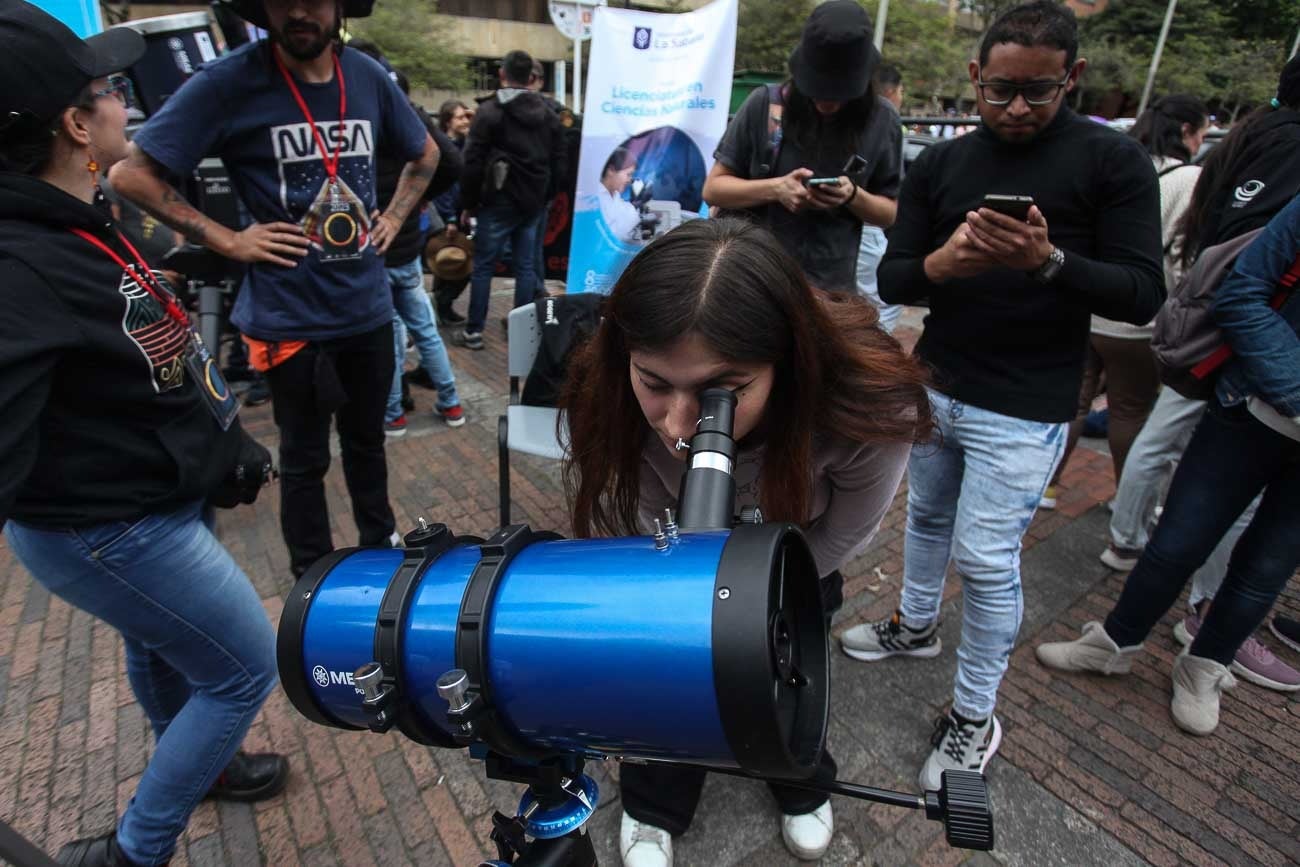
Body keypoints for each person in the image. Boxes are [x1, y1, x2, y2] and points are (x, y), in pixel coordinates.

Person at [840, 1, 1165, 790]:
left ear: (1073, 79)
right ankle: (915, 624)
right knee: (924, 516)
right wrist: (942, 269)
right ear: (975, 77)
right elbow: (893, 274)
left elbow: (1141, 293)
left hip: (1027, 404)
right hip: (939, 380)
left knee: (985, 559)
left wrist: (1049, 261)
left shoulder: (1111, 163)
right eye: (1000, 92)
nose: (1016, 109)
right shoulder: (944, 165)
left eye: (1039, 91)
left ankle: (975, 715)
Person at [0, 5, 287, 865]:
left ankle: (201, 765)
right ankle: (136, 848)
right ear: (75, 124)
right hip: (109, 525)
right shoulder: (20, 262)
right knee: (242, 668)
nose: (128, 104)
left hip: (153, 491)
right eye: (111, 91)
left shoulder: (73, 216)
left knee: (167, 647)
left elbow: (115, 344)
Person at [562, 218, 933, 865]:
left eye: (720, 394)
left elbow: (850, 526)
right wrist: (683, 601)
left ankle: (797, 779)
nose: (678, 426)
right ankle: (654, 803)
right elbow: (643, 510)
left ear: (786, 363)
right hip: (675, 573)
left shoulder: (869, 406)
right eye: (653, 382)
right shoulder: (612, 387)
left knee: (786, 681)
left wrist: (747, 606)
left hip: (798, 567)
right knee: (665, 681)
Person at [110, 0, 440, 580]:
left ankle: (382, 557)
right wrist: (229, 241)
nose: (298, 11)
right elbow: (129, 174)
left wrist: (394, 216)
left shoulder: (363, 75)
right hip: (290, 319)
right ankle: (311, 581)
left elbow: (426, 152)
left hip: (365, 307)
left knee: (368, 445)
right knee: (304, 459)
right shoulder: (230, 81)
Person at [1037, 190, 1300, 730]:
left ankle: (1205, 665)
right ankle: (1114, 641)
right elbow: (1243, 292)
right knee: (1178, 540)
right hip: (1250, 405)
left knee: (1268, 565)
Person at [1096, 59, 1300, 692]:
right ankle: (1169, 615)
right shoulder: (1276, 153)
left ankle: (1201, 653)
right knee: (1179, 490)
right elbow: (1239, 283)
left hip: (1180, 336)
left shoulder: (1242, 145)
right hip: (1226, 370)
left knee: (1255, 558)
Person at [1040, 95, 1209, 509]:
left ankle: (1045, 485)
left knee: (1074, 402)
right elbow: (1183, 259)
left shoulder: (1114, 163)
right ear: (1187, 132)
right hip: (1136, 319)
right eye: (1204, 131)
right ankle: (1127, 502)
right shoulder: (1189, 181)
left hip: (1085, 305)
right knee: (1129, 410)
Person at [702, 0, 901, 293]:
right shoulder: (765, 105)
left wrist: (852, 195)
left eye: (839, 94)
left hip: (830, 291)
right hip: (753, 281)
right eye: (817, 91)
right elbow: (713, 190)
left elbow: (889, 213)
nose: (827, 103)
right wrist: (776, 189)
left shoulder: (882, 120)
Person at [346, 40, 467, 436]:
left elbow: (448, 160)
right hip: (403, 246)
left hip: (373, 246)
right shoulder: (401, 108)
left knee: (393, 332)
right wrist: (412, 203)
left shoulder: (352, 107)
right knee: (423, 328)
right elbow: (450, 161)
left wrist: (409, 204)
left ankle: (394, 413)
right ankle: (449, 403)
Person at [454, 49, 565, 351]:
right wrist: (548, 196)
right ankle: (522, 330)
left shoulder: (489, 112)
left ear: (502, 74)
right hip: (533, 202)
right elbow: (559, 160)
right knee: (526, 267)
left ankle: (474, 331)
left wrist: (468, 203)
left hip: (497, 201)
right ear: (531, 77)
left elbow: (473, 162)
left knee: (483, 267)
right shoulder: (549, 113)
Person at [855, 63, 906, 332]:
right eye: (900, 90)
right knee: (884, 301)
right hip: (866, 227)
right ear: (890, 91)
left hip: (867, 225)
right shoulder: (880, 119)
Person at [433, 98, 472, 323]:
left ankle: (441, 305)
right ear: (448, 121)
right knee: (456, 264)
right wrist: (448, 217)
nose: (465, 121)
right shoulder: (442, 149)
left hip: (461, 212)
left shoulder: (467, 144)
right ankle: (441, 303)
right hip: (446, 214)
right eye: (460, 117)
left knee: (449, 263)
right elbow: (443, 187)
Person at [598, 147, 641, 241]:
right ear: (611, 170)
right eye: (628, 174)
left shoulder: (615, 196)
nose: (630, 180)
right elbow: (610, 235)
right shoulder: (593, 199)